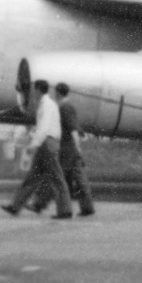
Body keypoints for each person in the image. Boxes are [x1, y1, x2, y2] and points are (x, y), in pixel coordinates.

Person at [0, 80, 73, 220]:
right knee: (33, 176)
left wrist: (34, 144)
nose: (32, 92)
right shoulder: (46, 104)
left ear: (39, 90)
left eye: (34, 89)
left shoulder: (46, 105)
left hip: (47, 143)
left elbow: (44, 128)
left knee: (56, 177)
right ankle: (15, 206)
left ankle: (65, 210)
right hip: (47, 143)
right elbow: (42, 127)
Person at [55, 83, 95, 217]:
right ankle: (87, 208)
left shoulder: (64, 107)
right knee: (79, 178)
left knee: (62, 180)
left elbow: (72, 129)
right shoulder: (69, 106)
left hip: (68, 149)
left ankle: (65, 211)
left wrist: (76, 147)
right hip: (71, 148)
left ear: (58, 93)